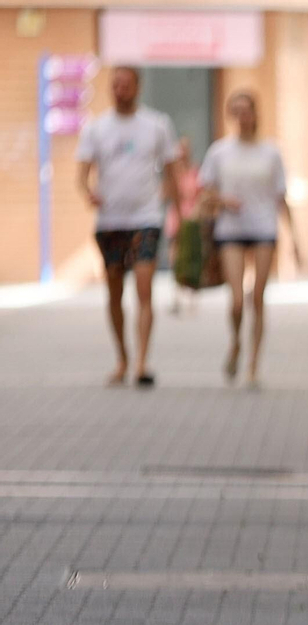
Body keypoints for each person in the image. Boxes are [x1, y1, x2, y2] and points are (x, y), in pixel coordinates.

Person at [76, 66, 180, 387]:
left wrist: (170, 206)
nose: (120, 89)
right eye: (115, 84)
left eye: (126, 84)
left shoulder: (157, 124)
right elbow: (82, 172)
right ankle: (121, 356)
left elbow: (172, 171)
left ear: (138, 86)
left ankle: (142, 362)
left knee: (145, 288)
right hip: (110, 222)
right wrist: (88, 192)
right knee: (114, 291)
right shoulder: (96, 128)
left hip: (146, 219)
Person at [199, 90, 301, 386]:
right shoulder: (219, 152)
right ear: (232, 115)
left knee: (258, 297)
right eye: (237, 111)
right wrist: (222, 201)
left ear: (256, 113)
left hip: (264, 228)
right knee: (236, 301)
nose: (243, 117)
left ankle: (254, 365)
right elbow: (205, 190)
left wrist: (295, 239)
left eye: (247, 110)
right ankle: (235, 343)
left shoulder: (271, 152)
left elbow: (282, 197)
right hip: (230, 229)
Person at [166, 136, 204, 315]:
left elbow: (201, 194)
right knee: (176, 257)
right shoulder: (173, 173)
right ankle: (177, 295)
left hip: (192, 219)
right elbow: (164, 193)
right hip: (176, 217)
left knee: (192, 257)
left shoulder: (196, 172)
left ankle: (192, 296)